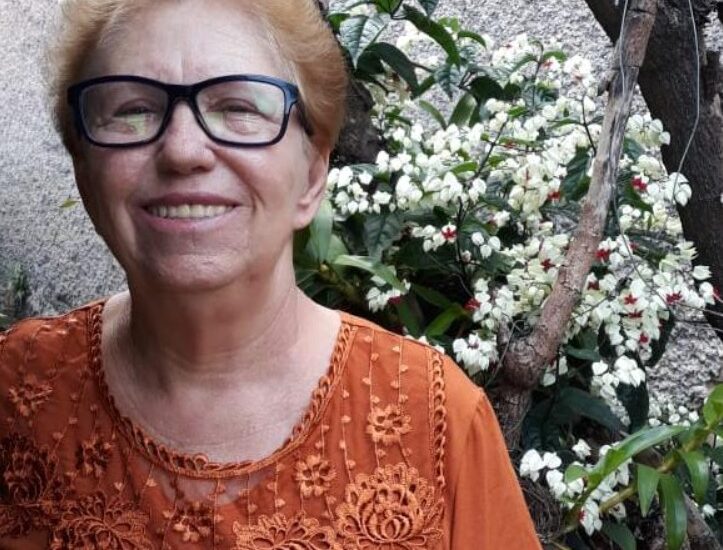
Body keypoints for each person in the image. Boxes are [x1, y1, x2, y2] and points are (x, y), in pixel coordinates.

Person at [0, 0, 541, 547]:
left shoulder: (436, 424)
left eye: (238, 107)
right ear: (83, 167)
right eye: (132, 110)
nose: (183, 151)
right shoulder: (15, 388)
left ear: (313, 173)